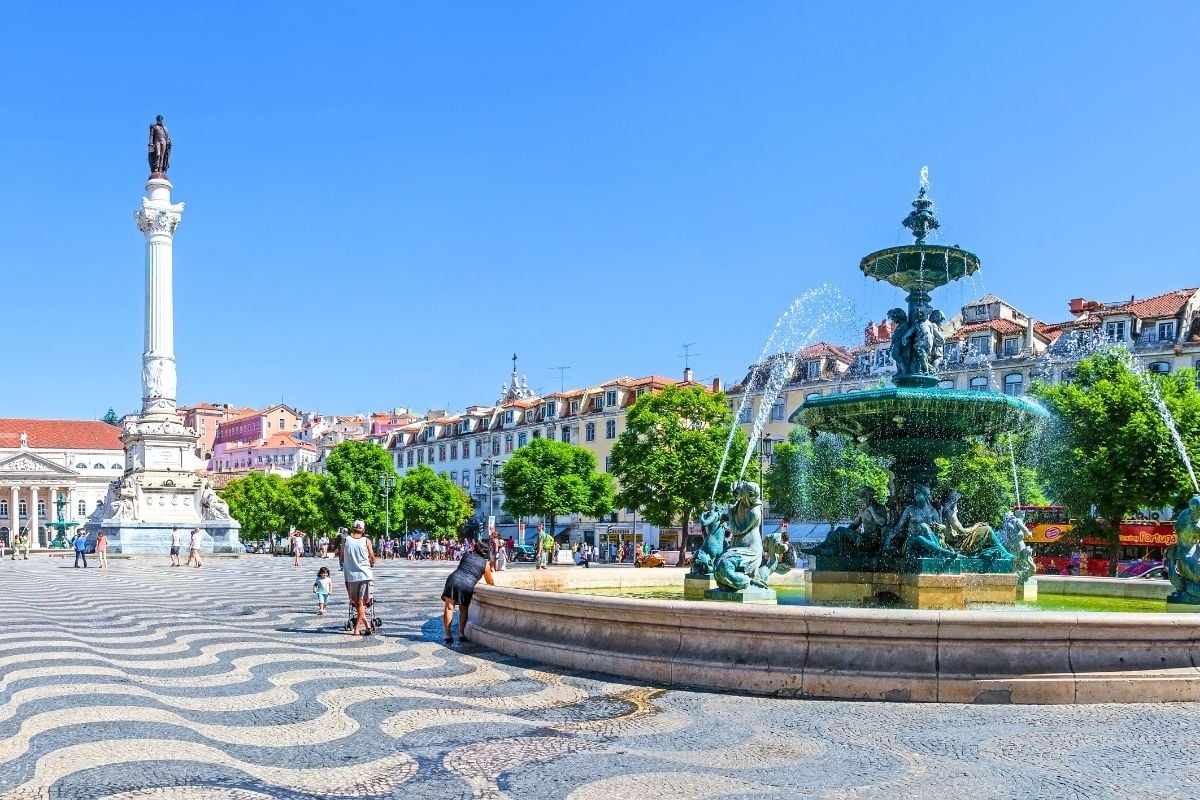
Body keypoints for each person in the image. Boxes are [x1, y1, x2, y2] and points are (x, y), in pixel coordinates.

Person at [440, 538, 495, 644]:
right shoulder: (485, 564)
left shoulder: (466, 555)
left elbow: (463, 568)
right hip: (467, 585)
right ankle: (461, 633)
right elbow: (490, 582)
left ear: (475, 549)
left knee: (449, 607)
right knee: (464, 608)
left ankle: (447, 635)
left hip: (453, 580)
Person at [341, 520, 376, 635]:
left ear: (353, 528)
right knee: (362, 603)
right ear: (363, 530)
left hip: (351, 576)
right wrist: (371, 562)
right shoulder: (367, 541)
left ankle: (362, 627)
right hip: (365, 575)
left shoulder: (345, 540)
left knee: (357, 603)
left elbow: (342, 557)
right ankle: (362, 626)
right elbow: (372, 558)